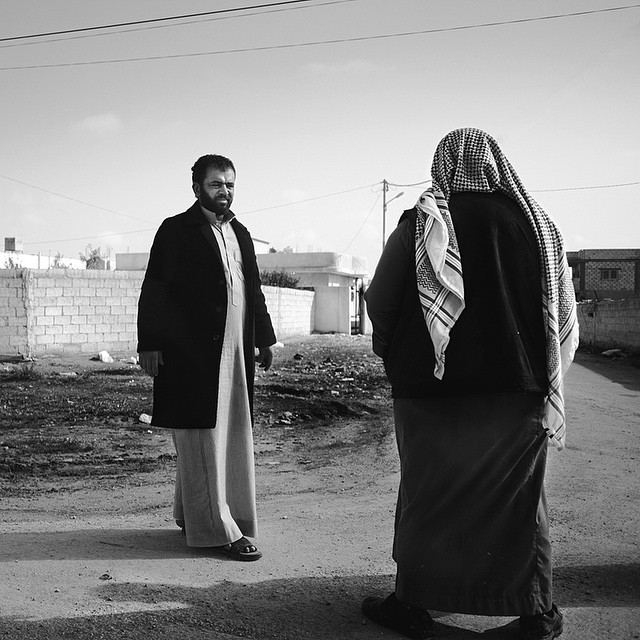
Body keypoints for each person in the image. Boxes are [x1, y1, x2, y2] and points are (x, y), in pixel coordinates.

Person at [362, 128, 578, 639]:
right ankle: (536, 613)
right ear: (494, 163)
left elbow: (381, 301)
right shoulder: (537, 227)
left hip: (429, 390)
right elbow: (563, 310)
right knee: (520, 501)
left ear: (444, 163)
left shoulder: (421, 221)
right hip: (517, 390)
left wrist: (394, 354)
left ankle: (412, 604)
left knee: (428, 495)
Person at [137, 154, 276, 561]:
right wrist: (150, 344)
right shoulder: (176, 230)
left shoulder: (242, 233)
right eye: (216, 184)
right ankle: (217, 529)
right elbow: (155, 289)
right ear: (197, 187)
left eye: (230, 185)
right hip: (191, 353)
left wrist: (265, 339)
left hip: (234, 350)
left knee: (228, 433)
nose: (224, 192)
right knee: (201, 435)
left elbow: (254, 291)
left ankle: (195, 513)